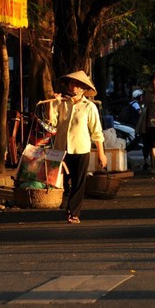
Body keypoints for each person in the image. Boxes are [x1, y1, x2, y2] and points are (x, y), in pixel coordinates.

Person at [50, 70, 107, 224]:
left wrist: (101, 154)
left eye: (77, 84)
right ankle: (65, 204)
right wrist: (54, 103)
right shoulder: (61, 104)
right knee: (62, 180)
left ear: (82, 88)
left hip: (81, 149)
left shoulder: (89, 107)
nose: (73, 87)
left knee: (78, 182)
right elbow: (52, 123)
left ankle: (73, 212)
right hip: (62, 149)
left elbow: (97, 132)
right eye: (71, 84)